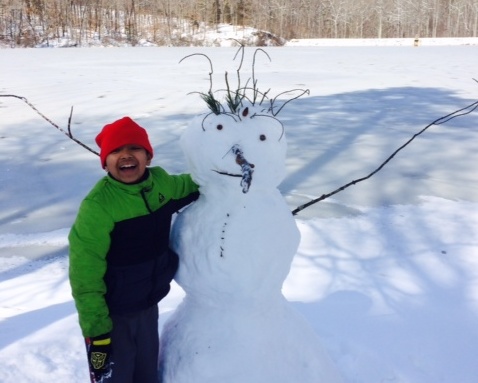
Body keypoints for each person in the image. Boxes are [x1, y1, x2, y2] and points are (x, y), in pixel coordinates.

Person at [68, 116, 199, 383]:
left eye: (134, 148)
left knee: (146, 374)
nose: (126, 156)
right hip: (112, 314)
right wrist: (97, 330)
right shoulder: (98, 205)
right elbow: (85, 271)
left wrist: (226, 175)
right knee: (116, 377)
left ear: (148, 156)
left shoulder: (161, 184)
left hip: (148, 305)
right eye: (116, 151)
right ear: (105, 161)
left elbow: (194, 183)